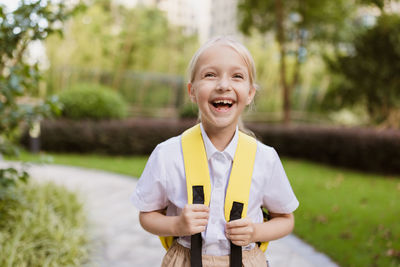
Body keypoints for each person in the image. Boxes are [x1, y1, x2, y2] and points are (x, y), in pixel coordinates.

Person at [131, 36, 299, 267]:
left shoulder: (265, 158)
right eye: (210, 75)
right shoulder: (168, 154)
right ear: (192, 91)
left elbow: (285, 220)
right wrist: (178, 225)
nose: (223, 85)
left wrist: (255, 232)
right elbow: (147, 215)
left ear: (250, 93)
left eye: (237, 76)